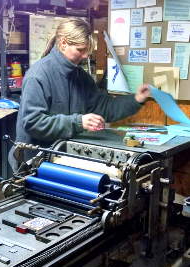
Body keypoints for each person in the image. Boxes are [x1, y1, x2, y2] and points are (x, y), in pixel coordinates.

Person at [9, 18, 150, 172]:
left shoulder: (80, 77)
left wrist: (136, 99)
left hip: (62, 159)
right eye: (80, 50)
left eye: (87, 51)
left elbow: (105, 107)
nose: (85, 56)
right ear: (63, 43)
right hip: (34, 163)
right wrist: (78, 122)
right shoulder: (38, 76)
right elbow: (34, 123)